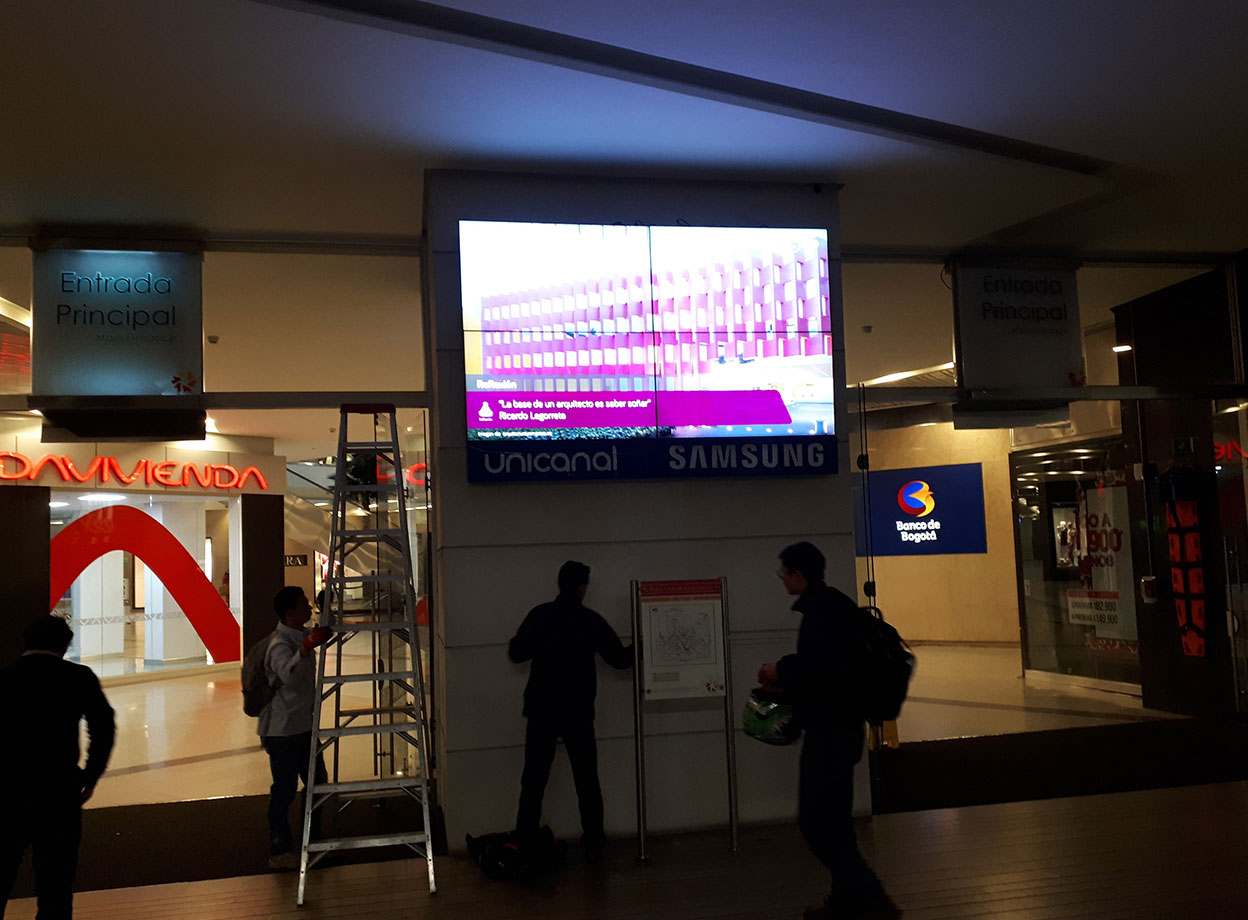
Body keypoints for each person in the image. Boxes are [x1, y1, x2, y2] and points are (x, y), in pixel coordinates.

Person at [759, 542, 899, 920]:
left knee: (816, 823)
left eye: (784, 572)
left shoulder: (821, 612)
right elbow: (834, 672)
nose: (781, 578)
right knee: (835, 823)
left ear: (799, 575)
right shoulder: (833, 605)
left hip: (831, 734)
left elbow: (823, 670)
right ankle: (848, 903)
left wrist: (782, 669)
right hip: (841, 729)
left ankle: (873, 902)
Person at [509, 560, 632, 860]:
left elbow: (517, 653)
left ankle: (524, 840)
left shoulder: (540, 615)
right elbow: (618, 658)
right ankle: (594, 841)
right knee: (587, 779)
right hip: (577, 711)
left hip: (542, 709)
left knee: (534, 779)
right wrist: (646, 643)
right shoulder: (590, 620)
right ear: (582, 588)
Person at [1, 614, 115, 919]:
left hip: (9, 790)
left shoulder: (6, 678)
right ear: (65, 645)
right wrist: (90, 776)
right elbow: (103, 727)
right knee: (56, 882)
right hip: (59, 789)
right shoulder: (78, 677)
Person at [259, 586, 333, 870]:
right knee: (285, 790)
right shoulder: (280, 643)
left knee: (317, 783)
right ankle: (280, 849)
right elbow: (287, 675)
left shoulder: (298, 636)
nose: (309, 608)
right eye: (304, 605)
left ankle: (311, 841)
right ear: (290, 612)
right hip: (283, 730)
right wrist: (305, 649)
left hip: (302, 726)